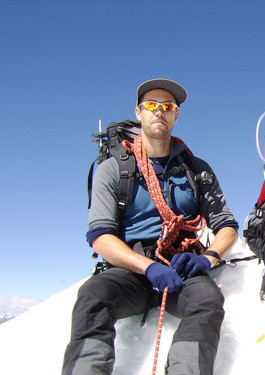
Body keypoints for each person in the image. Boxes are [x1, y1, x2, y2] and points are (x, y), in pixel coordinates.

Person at [62, 79, 239, 374]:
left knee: (206, 300)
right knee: (93, 296)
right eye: (151, 106)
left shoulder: (197, 169)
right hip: (130, 268)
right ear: (139, 112)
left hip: (182, 266)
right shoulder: (114, 168)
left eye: (168, 107)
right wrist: (147, 267)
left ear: (176, 116)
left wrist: (207, 258)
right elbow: (101, 237)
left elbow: (227, 226)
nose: (160, 112)